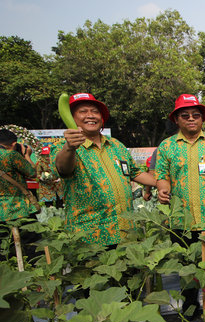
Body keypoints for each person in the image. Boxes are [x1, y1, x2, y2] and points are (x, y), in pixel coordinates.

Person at [155, 94, 205, 314]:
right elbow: (162, 175)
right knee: (187, 271)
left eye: (196, 115)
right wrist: (163, 189)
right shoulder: (167, 147)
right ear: (176, 119)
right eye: (185, 115)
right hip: (182, 222)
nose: (191, 119)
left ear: (202, 119)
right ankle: (192, 310)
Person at [52, 93, 157, 247]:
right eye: (83, 111)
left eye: (95, 111)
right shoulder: (64, 147)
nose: (90, 115)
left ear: (102, 118)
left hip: (125, 233)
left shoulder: (116, 146)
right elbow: (63, 169)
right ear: (72, 118)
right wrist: (70, 148)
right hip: (91, 236)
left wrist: (162, 183)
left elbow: (136, 173)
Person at [0, 128, 37, 221]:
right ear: (13, 144)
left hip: (2, 210)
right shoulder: (11, 155)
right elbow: (32, 173)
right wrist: (26, 155)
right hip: (16, 207)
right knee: (29, 233)